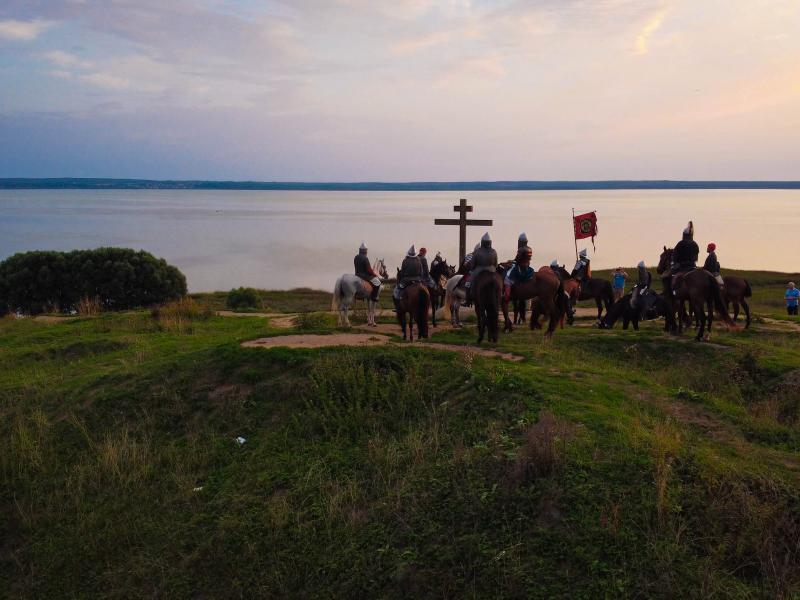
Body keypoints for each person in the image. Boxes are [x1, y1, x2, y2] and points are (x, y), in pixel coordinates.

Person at [466, 232, 498, 299]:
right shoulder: (494, 251)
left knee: (468, 282)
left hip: (478, 271)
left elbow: (473, 265)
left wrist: (472, 268)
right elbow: (496, 264)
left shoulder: (477, 251)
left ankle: (468, 298)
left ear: (482, 242)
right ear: (490, 242)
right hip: (492, 270)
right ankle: (501, 295)